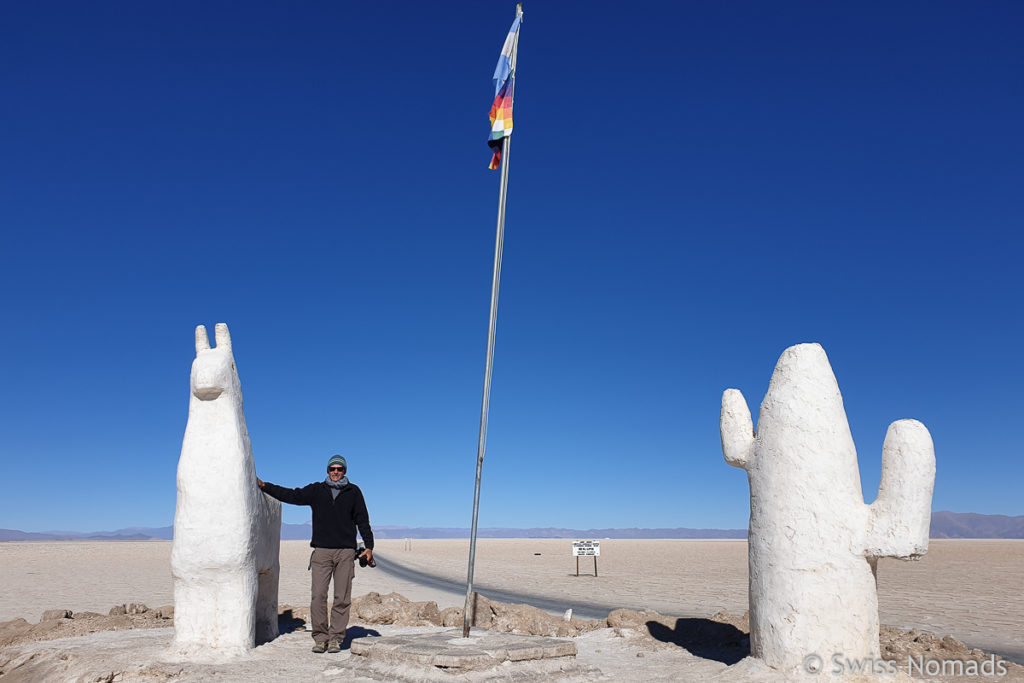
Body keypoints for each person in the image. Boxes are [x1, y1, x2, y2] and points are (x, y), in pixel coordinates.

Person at [257, 454, 374, 654]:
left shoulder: (354, 492)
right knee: (318, 596)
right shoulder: (317, 490)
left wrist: (369, 546)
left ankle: (336, 638)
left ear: (345, 471)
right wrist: (266, 486)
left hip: (345, 552)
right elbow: (292, 496)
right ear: (327, 470)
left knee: (342, 597)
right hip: (321, 552)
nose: (336, 472)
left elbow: (363, 520)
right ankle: (321, 638)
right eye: (332, 469)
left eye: (340, 469)